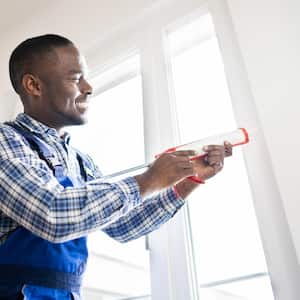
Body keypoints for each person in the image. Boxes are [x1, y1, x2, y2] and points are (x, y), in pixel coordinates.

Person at [0, 34, 232, 300]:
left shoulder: (80, 161)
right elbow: (52, 214)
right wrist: (148, 180)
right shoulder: (7, 140)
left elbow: (124, 225)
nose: (88, 87)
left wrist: (188, 180)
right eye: (76, 79)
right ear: (34, 85)